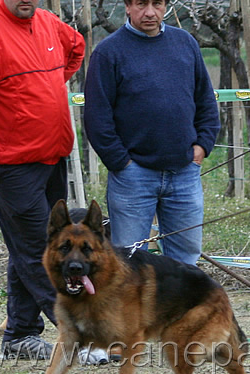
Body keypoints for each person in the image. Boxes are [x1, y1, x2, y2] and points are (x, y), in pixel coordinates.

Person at [84, 0, 220, 266]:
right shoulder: (108, 52)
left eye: (157, 4)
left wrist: (202, 147)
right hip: (133, 177)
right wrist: (121, 163)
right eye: (141, 4)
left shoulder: (185, 44)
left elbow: (205, 100)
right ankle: (131, 310)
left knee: (185, 262)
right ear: (127, 6)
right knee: (128, 263)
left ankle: (177, 309)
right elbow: (97, 118)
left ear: (165, 6)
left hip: (184, 173)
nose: (149, 12)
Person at [0, 0, 85, 360]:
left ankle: (19, 335)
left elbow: (76, 47)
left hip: (51, 153)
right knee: (40, 249)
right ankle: (76, 334)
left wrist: (46, 86)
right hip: (10, 161)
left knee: (26, 246)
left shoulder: (47, 21)